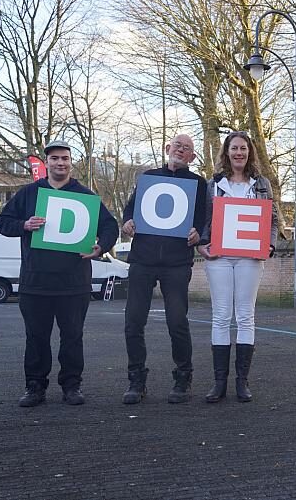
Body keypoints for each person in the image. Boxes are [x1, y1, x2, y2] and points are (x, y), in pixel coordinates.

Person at [0, 139, 119, 407]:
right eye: (55, 159)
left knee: (73, 337)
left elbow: (110, 227)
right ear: (47, 163)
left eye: (64, 158)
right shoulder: (29, 193)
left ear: (70, 162)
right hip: (35, 281)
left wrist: (100, 248)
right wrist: (24, 224)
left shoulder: (86, 196)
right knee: (36, 337)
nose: (60, 163)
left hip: (73, 283)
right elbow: (3, 223)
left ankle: (72, 385)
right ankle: (35, 387)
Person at [120, 134, 208, 404]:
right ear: (167, 148)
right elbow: (130, 211)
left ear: (192, 157)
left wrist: (199, 235)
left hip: (177, 262)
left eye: (187, 149)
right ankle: (137, 380)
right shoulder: (148, 177)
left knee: (177, 321)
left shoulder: (198, 184)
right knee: (133, 321)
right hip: (142, 259)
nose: (180, 151)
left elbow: (205, 219)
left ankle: (183, 378)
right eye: (177, 146)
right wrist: (127, 223)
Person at [197, 131, 278, 403]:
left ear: (249, 152)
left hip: (249, 257)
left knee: (245, 316)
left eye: (243, 148)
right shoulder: (213, 184)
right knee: (221, 316)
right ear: (227, 152)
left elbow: (273, 219)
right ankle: (219, 382)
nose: (239, 153)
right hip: (219, 256)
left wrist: (270, 245)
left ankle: (242, 382)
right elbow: (204, 218)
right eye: (234, 148)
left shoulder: (261, 184)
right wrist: (201, 244)